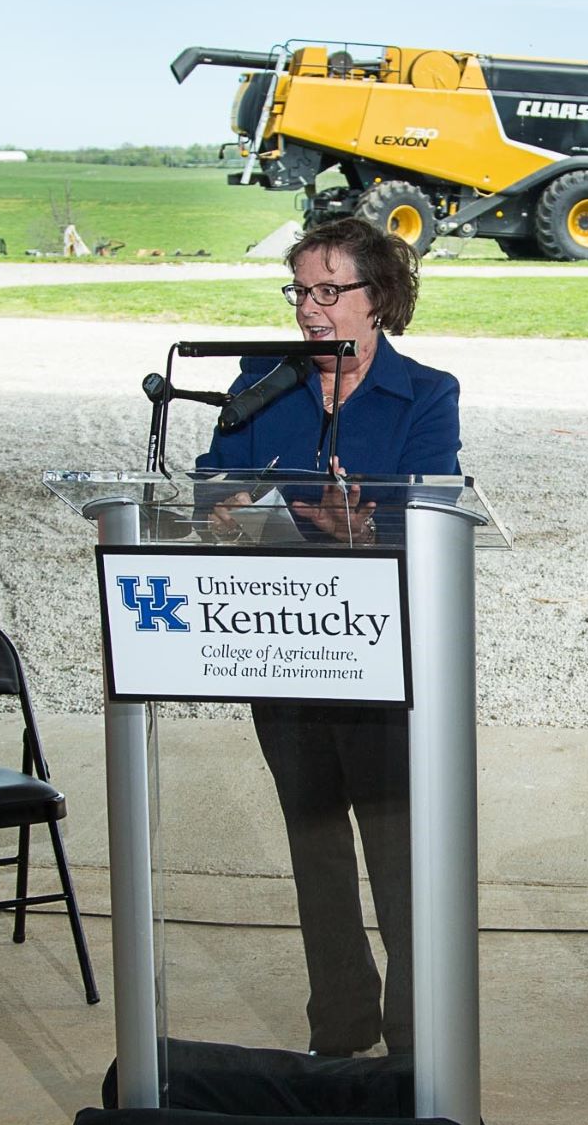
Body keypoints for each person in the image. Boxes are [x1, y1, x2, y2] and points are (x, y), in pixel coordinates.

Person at [196, 216, 461, 1057]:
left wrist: (367, 529)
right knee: (314, 845)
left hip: (381, 648)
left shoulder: (426, 393)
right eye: (299, 291)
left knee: (396, 852)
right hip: (283, 643)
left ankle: (419, 1046)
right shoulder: (261, 381)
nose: (309, 310)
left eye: (327, 291)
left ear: (375, 298)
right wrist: (223, 508)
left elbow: (436, 512)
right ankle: (340, 1030)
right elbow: (208, 478)